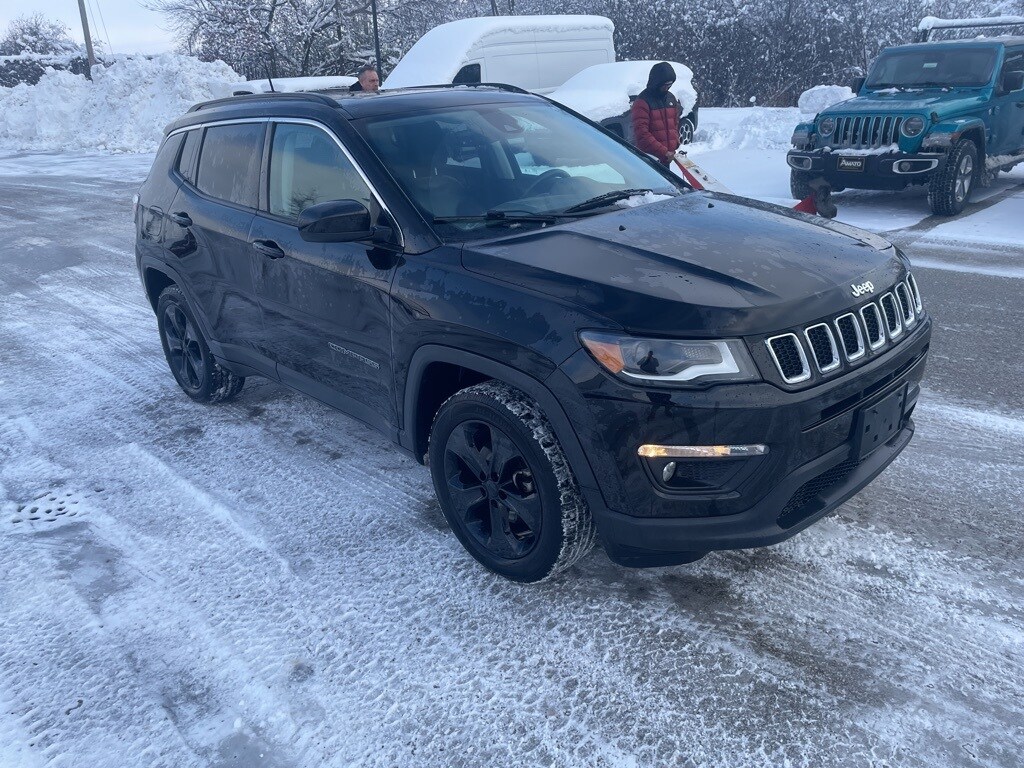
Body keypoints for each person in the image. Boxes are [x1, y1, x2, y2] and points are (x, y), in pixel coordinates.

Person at [631, 62, 680, 166]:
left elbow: (674, 124)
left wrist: (675, 143)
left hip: (666, 159)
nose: (667, 88)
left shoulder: (671, 98)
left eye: (670, 85)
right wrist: (663, 152)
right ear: (656, 83)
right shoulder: (642, 102)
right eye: (665, 85)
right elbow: (642, 134)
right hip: (649, 160)